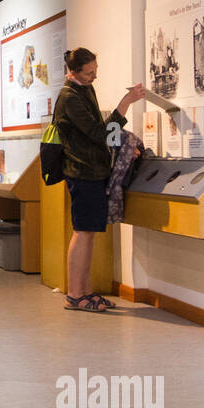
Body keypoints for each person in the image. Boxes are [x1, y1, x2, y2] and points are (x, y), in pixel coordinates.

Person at [53, 47, 144, 312]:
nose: (94, 76)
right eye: (89, 72)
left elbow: (101, 132)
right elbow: (99, 133)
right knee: (83, 232)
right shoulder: (69, 97)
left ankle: (85, 292)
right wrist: (125, 103)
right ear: (73, 72)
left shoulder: (83, 90)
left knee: (89, 233)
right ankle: (74, 295)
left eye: (95, 71)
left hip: (92, 172)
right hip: (82, 173)